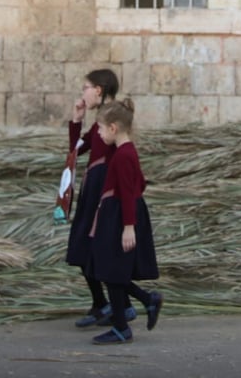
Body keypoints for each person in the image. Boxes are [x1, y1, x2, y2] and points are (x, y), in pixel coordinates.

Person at [65, 69, 136, 328]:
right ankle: (100, 304)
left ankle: (121, 306)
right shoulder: (99, 122)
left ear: (98, 89)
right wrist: (76, 120)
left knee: (96, 249)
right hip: (92, 188)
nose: (82, 93)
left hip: (102, 191)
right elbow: (76, 150)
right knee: (83, 248)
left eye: (85, 87)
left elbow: (122, 157)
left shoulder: (112, 118)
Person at [88, 98, 162, 345]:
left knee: (112, 271)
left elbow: (131, 191)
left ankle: (123, 326)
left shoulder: (125, 155)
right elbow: (140, 183)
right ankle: (145, 302)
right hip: (114, 214)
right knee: (110, 271)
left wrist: (129, 226)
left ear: (113, 128)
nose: (97, 133)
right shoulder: (122, 152)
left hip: (120, 217)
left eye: (99, 128)